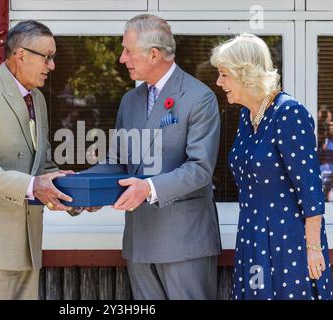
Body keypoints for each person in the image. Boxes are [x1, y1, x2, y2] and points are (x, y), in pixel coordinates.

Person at [83, 14, 222, 300]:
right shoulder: (129, 101)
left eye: (128, 51)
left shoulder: (200, 97)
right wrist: (84, 188)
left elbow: (200, 169)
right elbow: (117, 161)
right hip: (140, 241)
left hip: (185, 242)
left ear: (154, 54)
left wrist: (149, 188)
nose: (122, 58)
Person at [0, 20, 74, 300]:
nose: (52, 65)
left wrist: (75, 194)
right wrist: (33, 186)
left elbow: (42, 166)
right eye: (47, 56)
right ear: (21, 54)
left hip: (28, 247)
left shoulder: (38, 100)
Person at [211, 33, 333, 300]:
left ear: (245, 73)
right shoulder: (247, 115)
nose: (219, 82)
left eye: (224, 74)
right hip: (252, 235)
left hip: (288, 241)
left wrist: (313, 247)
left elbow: (311, 189)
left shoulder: (288, 113)